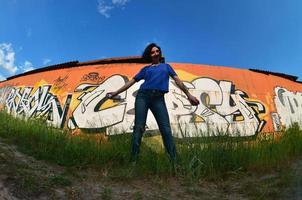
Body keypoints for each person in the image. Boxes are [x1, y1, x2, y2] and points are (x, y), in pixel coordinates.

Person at [107, 43, 199, 162]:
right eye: (152, 52)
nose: (155, 54)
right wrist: (115, 92)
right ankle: (133, 160)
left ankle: (175, 161)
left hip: (158, 99)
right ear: (149, 55)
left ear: (160, 53)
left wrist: (188, 95)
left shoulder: (166, 67)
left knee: (165, 129)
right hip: (143, 97)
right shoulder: (146, 69)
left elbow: (177, 81)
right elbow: (131, 82)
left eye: (157, 51)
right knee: (139, 127)